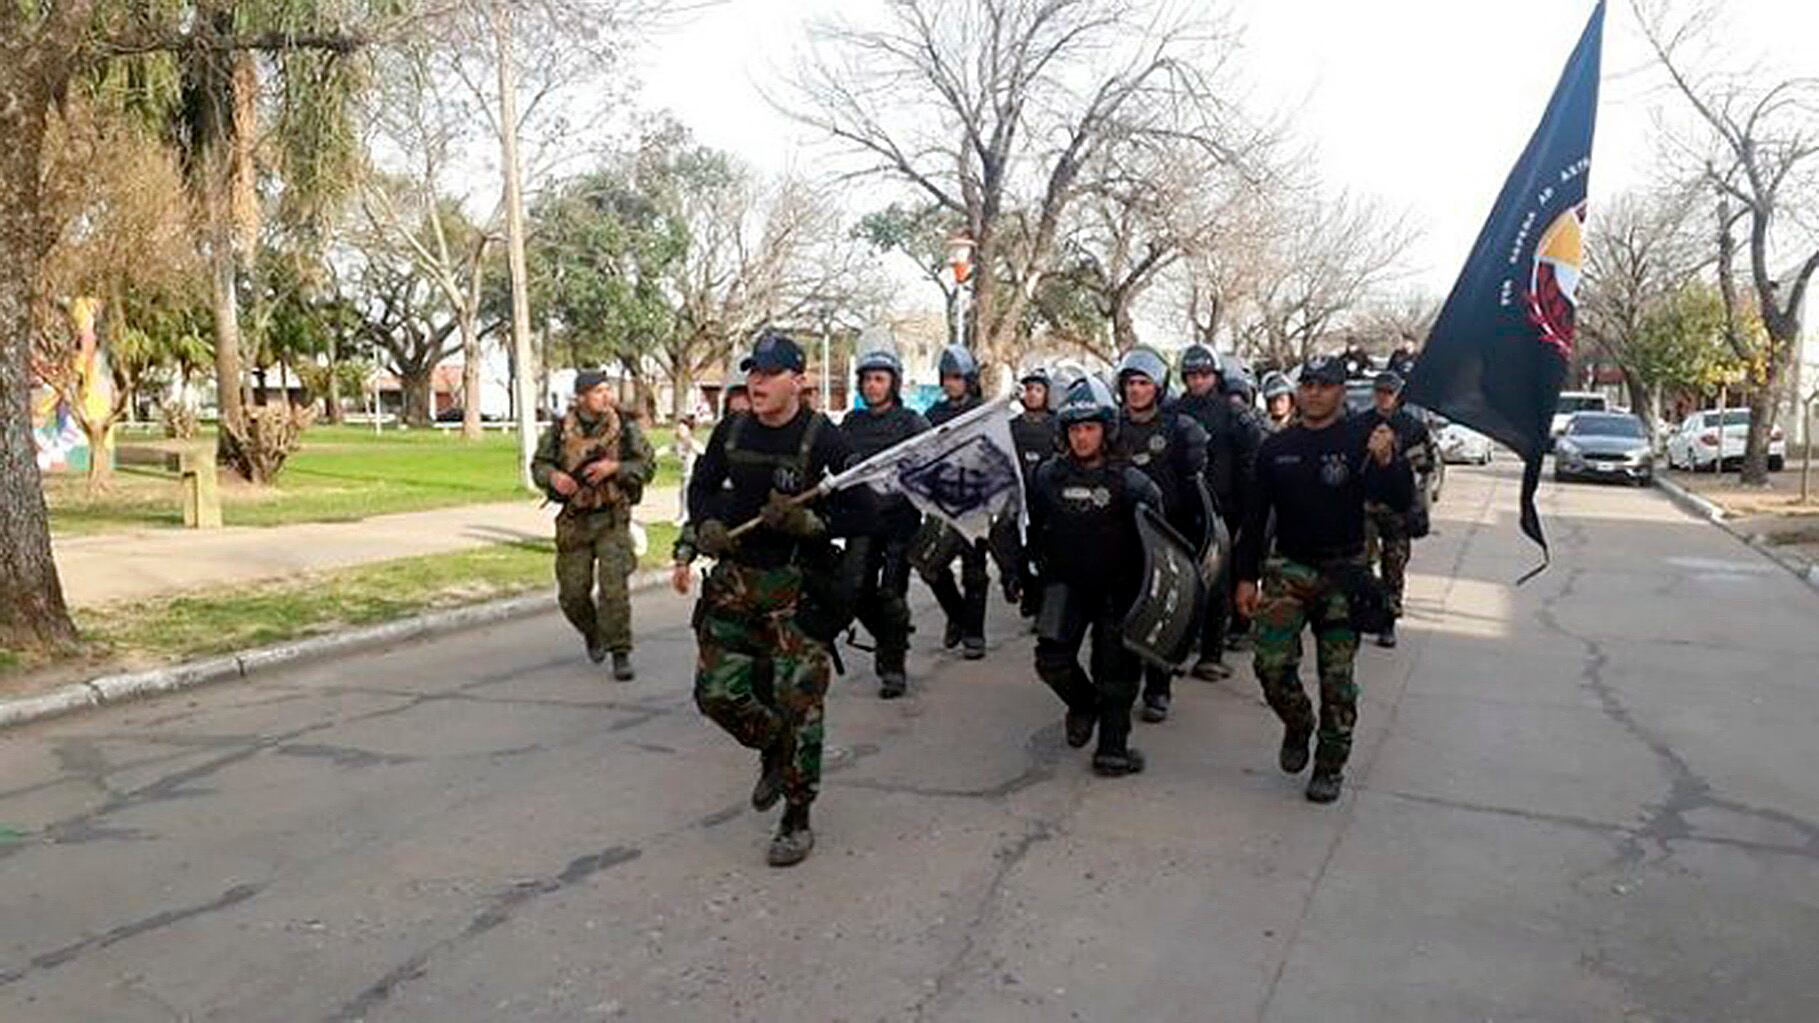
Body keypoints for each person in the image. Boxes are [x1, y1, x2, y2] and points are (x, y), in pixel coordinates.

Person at [671, 331, 877, 866]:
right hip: (737, 585)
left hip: (798, 591)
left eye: (768, 374)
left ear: (798, 381)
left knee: (799, 703)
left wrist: (813, 522)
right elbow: (703, 485)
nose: (756, 383)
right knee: (715, 694)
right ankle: (772, 745)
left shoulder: (823, 438)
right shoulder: (732, 430)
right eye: (752, 374)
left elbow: (867, 511)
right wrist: (707, 523)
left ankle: (797, 815)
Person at [1234, 354, 1412, 804]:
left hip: (1344, 572)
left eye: (1325, 385)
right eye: (1307, 384)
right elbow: (1254, 519)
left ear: (1339, 391)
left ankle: (1330, 766)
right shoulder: (1277, 448)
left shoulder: (1362, 439)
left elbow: (1401, 498)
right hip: (1288, 569)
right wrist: (1244, 577)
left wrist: (1388, 460)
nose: (1314, 392)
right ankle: (1298, 724)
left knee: (1338, 680)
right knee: (1270, 666)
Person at [1028, 376, 1165, 777]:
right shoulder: (1046, 478)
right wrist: (1021, 570)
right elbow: (1028, 528)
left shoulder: (1134, 483)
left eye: (1090, 428)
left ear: (1106, 430)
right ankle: (1083, 705)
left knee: (1116, 674)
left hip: (1118, 591)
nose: (1082, 437)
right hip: (1064, 585)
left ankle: (1113, 746)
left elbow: (1161, 546)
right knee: (1051, 661)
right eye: (1074, 429)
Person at [531, 370, 657, 680]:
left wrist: (616, 467)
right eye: (598, 391)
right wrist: (554, 478)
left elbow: (648, 466)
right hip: (575, 520)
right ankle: (592, 633)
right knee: (573, 594)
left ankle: (620, 652)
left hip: (612, 517)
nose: (606, 395)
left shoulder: (624, 429)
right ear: (582, 396)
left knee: (614, 589)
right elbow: (539, 465)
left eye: (607, 389)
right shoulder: (561, 430)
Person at [1110, 347, 1207, 724]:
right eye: (1130, 383)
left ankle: (1158, 687)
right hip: (1121, 537)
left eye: (1142, 383)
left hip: (1167, 536)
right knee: (1122, 616)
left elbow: (1195, 487)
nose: (1135, 390)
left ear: (1158, 387)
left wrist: (1197, 540)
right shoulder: (1111, 427)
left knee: (1163, 614)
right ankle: (1121, 686)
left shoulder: (1180, 430)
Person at [838, 348, 930, 699]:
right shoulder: (851, 423)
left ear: (893, 383)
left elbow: (932, 462)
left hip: (899, 523)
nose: (873, 386)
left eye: (880, 379)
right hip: (861, 522)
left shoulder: (911, 422)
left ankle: (893, 666)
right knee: (854, 590)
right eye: (867, 379)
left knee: (892, 593)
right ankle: (889, 638)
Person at [1174, 344, 1261, 682]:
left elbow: (1248, 467)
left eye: (1204, 375)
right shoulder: (1173, 412)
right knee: (1181, 582)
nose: (1198, 381)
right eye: (1192, 375)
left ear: (1216, 376)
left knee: (1218, 585)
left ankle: (1211, 655)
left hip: (1223, 511)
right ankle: (1176, 649)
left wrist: (1247, 516)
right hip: (1180, 510)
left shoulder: (1232, 414)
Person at [917, 345, 992, 660]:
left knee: (974, 571)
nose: (951, 384)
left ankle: (974, 633)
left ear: (970, 379)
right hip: (942, 501)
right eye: (947, 377)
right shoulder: (933, 416)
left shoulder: (987, 412)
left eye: (958, 377)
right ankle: (958, 615)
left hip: (977, 499)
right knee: (928, 563)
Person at [1363, 370, 1436, 649]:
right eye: (1379, 391)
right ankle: (1365, 612)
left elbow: (1425, 468)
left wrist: (1418, 505)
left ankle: (1388, 621)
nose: (1383, 397)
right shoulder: (1362, 423)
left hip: (1398, 507)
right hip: (1367, 504)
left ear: (1398, 395)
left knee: (1394, 567)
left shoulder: (1412, 427)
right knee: (1361, 563)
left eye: (1389, 392)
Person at [1003, 367, 1056, 621]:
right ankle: (1029, 596)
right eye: (1029, 390)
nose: (1033, 395)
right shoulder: (1011, 426)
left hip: (1048, 500)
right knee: (1020, 553)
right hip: (1019, 500)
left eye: (1038, 389)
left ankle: (1044, 605)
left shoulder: (1057, 425)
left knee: (1046, 555)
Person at [674, 414, 707, 524]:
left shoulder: (693, 443)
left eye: (683, 429)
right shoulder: (679, 444)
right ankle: (681, 515)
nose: (680, 431)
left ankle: (686, 516)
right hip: (684, 474)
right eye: (679, 429)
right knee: (681, 494)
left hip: (691, 473)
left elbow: (703, 452)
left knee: (687, 494)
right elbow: (669, 448)